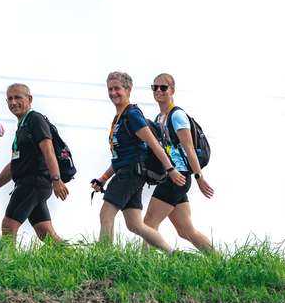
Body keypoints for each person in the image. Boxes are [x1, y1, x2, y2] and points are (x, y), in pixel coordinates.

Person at [91, 71, 185, 252]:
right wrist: (103, 179)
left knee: (106, 213)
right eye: (110, 89)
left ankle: (104, 261)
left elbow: (154, 144)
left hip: (130, 173)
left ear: (128, 89)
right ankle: (173, 254)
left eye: (117, 88)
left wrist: (171, 169)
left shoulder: (132, 114)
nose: (113, 93)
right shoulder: (118, 119)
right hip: (128, 171)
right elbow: (119, 157)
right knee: (134, 224)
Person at [0, 83, 68, 245]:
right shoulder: (22, 126)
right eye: (10, 99)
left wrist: (56, 180)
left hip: (34, 183)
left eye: (18, 97)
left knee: (8, 226)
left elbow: (49, 152)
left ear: (30, 99)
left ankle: (9, 267)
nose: (13, 102)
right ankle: (76, 260)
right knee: (45, 233)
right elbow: (15, 164)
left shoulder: (35, 120)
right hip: (32, 184)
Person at [143, 73, 214, 253]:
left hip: (178, 177)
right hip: (173, 177)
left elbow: (189, 148)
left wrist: (199, 177)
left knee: (149, 223)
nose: (158, 91)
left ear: (172, 90)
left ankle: (142, 267)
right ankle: (217, 261)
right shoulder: (160, 117)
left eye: (163, 87)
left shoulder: (177, 116)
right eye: (155, 87)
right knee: (185, 230)